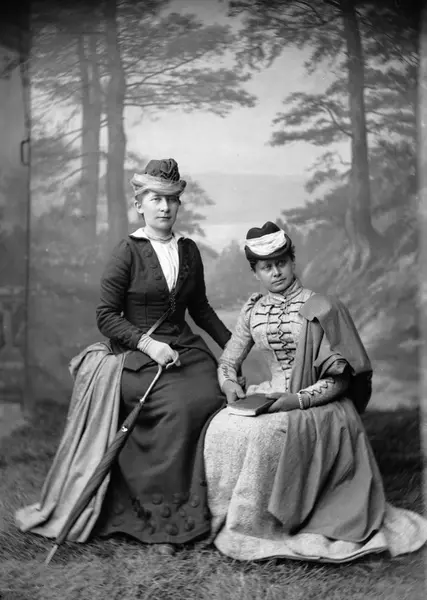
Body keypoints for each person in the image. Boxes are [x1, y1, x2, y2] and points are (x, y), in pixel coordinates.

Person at [15, 158, 232, 556]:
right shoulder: (127, 251)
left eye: (171, 199)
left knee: (212, 398)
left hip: (185, 350)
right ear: (139, 204)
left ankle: (204, 507)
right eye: (156, 199)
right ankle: (161, 522)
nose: (164, 207)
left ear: (179, 203)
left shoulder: (189, 250)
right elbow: (106, 316)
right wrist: (148, 345)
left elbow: (200, 309)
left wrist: (233, 349)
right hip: (136, 355)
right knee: (179, 409)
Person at [203, 221, 427, 563]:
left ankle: (268, 523)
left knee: (264, 435)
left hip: (319, 403)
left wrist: (294, 400)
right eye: (266, 267)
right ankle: (230, 521)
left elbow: (340, 380)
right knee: (221, 427)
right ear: (256, 272)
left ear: (293, 262)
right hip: (271, 393)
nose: (276, 272)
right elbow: (229, 360)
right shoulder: (253, 310)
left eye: (282, 263)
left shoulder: (323, 307)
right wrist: (229, 383)